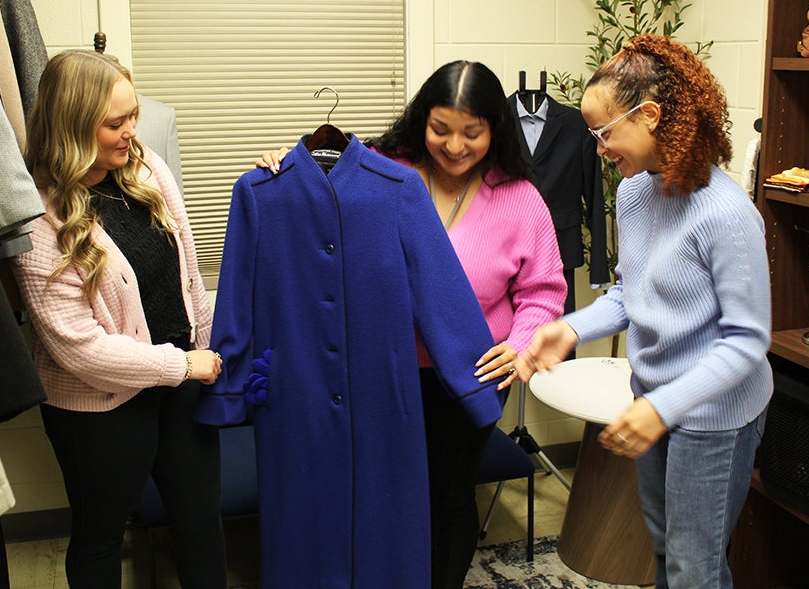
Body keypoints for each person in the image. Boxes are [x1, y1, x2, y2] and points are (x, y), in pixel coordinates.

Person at [260, 60, 567, 588]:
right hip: (378, 370)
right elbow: (317, 201)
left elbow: (542, 292)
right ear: (420, 121)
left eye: (472, 133)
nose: (454, 146)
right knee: (382, 491)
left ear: (495, 129)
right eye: (440, 130)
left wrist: (518, 347)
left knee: (448, 493)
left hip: (469, 374)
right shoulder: (379, 170)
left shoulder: (520, 199)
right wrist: (287, 167)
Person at [516, 33, 773, 589]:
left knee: (695, 568)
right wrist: (568, 329)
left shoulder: (727, 215)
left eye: (604, 132)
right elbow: (630, 294)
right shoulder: (634, 194)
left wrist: (664, 408)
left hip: (715, 418)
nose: (599, 148)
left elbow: (748, 342)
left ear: (650, 115)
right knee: (662, 553)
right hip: (654, 401)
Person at [9, 50, 226, 588]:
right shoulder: (38, 220)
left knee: (201, 525)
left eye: (133, 114)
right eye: (115, 122)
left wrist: (202, 348)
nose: (132, 130)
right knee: (100, 538)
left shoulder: (145, 165)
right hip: (99, 407)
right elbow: (81, 349)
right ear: (73, 127)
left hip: (181, 381)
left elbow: (188, 273)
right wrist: (180, 366)